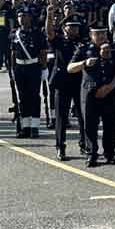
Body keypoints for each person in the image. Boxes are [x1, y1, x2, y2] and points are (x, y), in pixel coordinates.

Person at [68, 22, 115, 167]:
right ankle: (92, 154)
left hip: (109, 91)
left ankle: (110, 154)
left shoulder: (114, 48)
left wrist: (110, 86)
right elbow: (70, 68)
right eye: (97, 34)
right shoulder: (84, 49)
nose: (101, 36)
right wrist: (84, 63)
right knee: (90, 125)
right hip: (89, 92)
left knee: (110, 125)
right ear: (91, 35)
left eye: (103, 33)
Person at [46, 11, 85, 159]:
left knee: (83, 116)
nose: (74, 29)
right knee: (61, 117)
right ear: (64, 28)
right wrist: (49, 16)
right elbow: (49, 33)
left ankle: (84, 145)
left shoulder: (83, 41)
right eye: (71, 26)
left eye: (76, 26)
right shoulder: (59, 41)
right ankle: (60, 147)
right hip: (62, 83)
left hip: (79, 82)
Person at [11, 9, 46, 138]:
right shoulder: (15, 34)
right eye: (19, 16)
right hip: (20, 68)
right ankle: (25, 126)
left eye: (24, 16)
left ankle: (35, 126)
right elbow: (13, 53)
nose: (21, 18)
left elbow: (43, 52)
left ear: (30, 18)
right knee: (22, 97)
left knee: (34, 97)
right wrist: (13, 69)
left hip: (34, 67)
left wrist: (44, 68)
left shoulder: (37, 33)